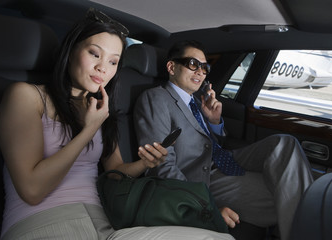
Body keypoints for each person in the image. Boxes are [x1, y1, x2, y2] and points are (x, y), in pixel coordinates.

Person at [0, 10, 234, 240]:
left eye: (113, 62)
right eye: (94, 54)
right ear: (70, 50)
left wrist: (145, 163)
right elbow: (32, 190)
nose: (103, 68)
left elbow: (116, 172)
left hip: (106, 224)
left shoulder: (99, 109)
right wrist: (89, 129)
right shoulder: (26, 96)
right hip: (42, 223)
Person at [133, 40, 314, 240]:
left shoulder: (196, 101)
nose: (201, 72)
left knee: (285, 144)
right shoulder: (156, 98)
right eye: (193, 64)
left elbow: (212, 143)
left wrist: (215, 121)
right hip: (201, 178)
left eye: (204, 67)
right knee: (290, 195)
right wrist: (204, 205)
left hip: (223, 161)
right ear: (171, 67)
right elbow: (161, 164)